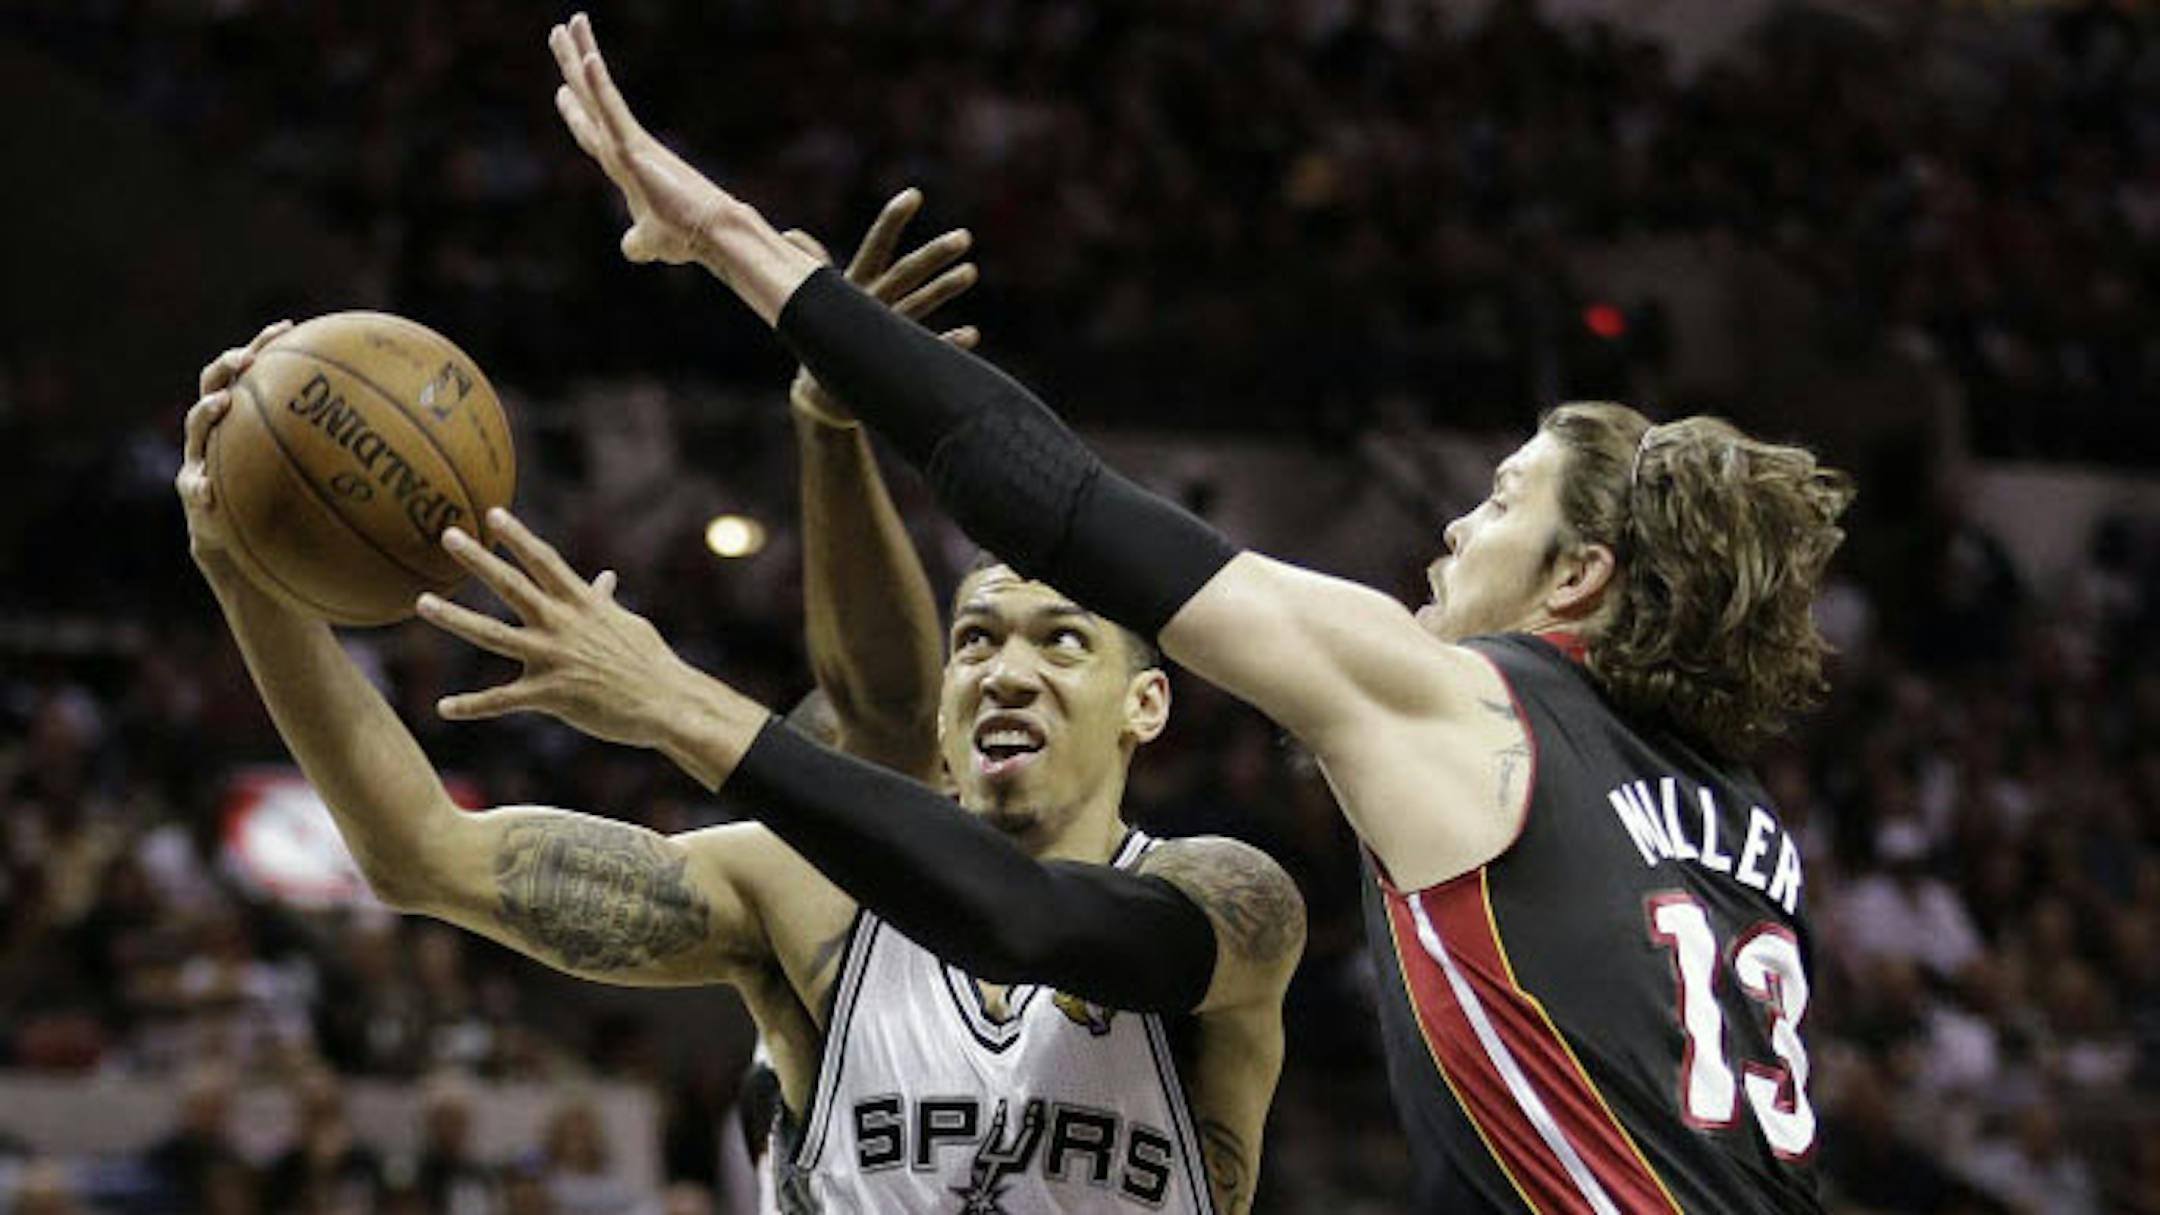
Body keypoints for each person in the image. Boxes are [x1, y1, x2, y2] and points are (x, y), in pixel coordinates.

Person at [543, 12, 1853, 1211]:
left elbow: (1059, 503)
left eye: (1503, 501)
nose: (1456, 525)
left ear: (1578, 580)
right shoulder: (1742, 815)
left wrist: (737, 246)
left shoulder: (1470, 695)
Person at [177, 202, 1304, 1212]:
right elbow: (421, 854)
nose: (1005, 671)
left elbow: (1029, 917)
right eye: (977, 641)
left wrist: (673, 699)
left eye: (1062, 641)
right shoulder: (801, 896)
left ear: (1146, 704)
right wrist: (246, 575)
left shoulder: (1230, 899)